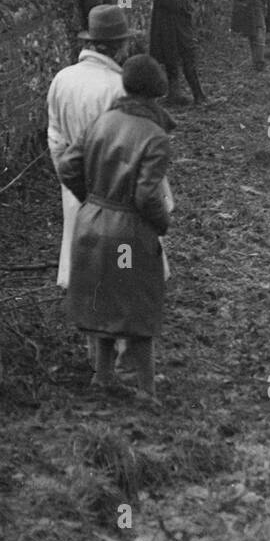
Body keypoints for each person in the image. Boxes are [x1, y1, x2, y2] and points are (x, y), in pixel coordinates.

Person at [59, 52, 174, 401]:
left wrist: (92, 199)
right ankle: (147, 389)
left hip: (91, 225)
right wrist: (162, 222)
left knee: (103, 303)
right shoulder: (155, 136)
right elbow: (146, 195)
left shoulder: (102, 121)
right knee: (138, 309)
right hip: (129, 233)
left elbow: (67, 167)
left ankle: (103, 376)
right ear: (156, 93)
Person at [47, 5, 132, 293]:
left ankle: (76, 280)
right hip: (112, 177)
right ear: (117, 47)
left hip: (73, 171)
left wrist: (66, 170)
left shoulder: (62, 78)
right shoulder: (119, 87)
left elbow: (55, 135)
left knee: (78, 230)